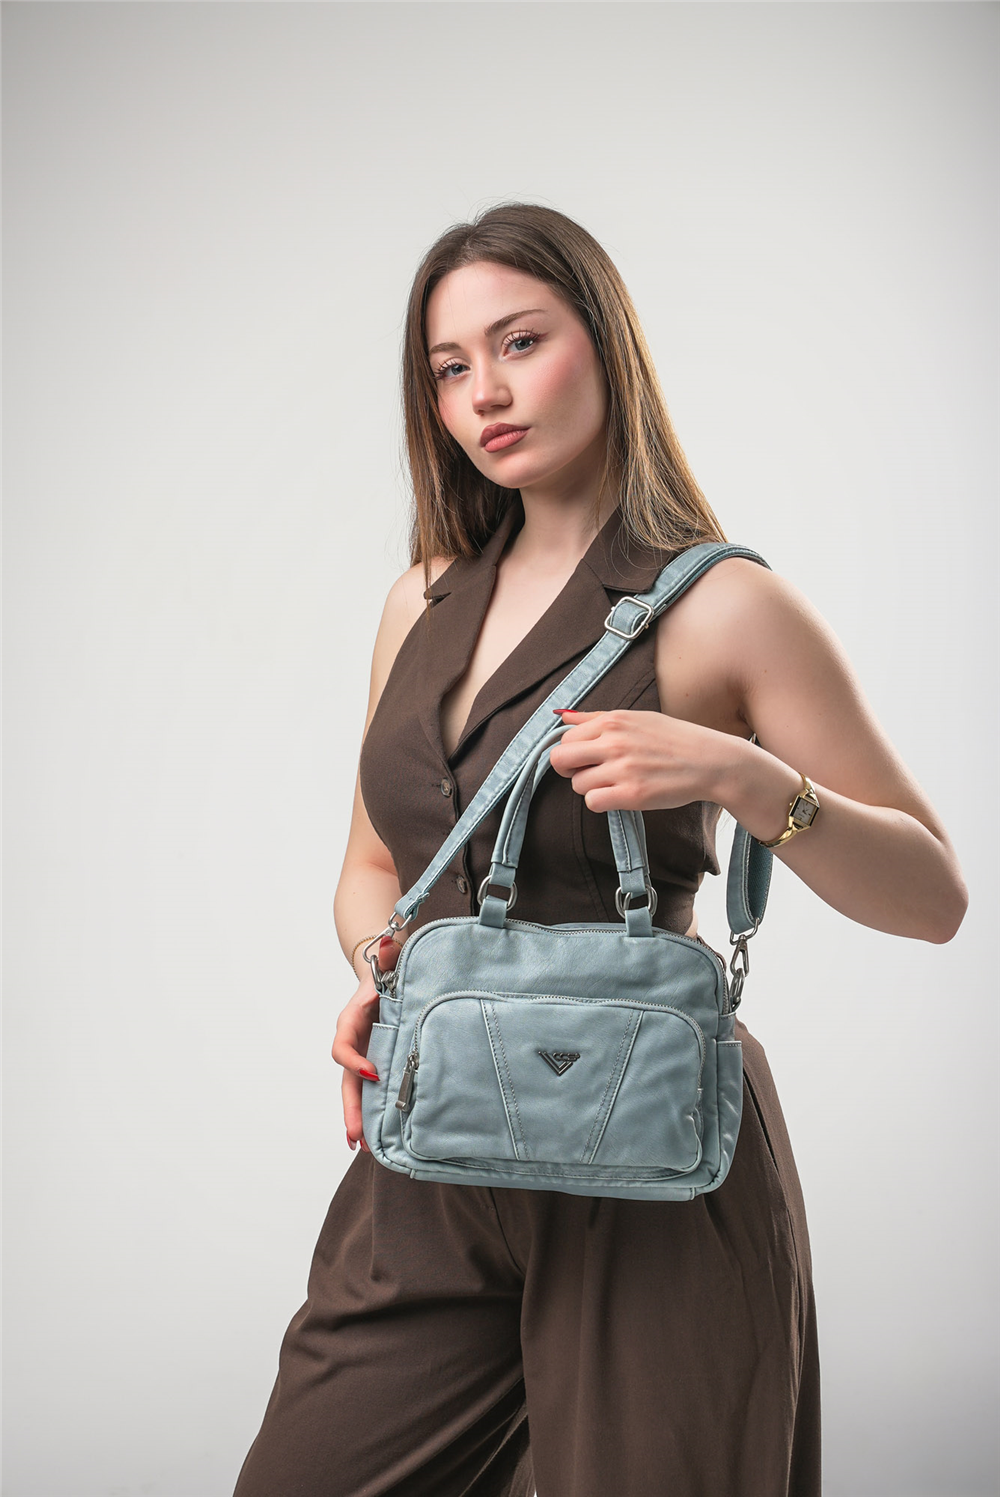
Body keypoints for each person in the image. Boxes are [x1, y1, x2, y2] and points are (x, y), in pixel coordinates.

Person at [232, 203, 967, 1497]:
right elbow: (373, 869)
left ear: (606, 342)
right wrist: (379, 966)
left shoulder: (724, 604)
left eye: (520, 342)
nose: (485, 392)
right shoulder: (420, 600)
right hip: (436, 1143)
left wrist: (747, 779)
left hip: (654, 1157)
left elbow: (933, 895)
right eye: (449, 368)